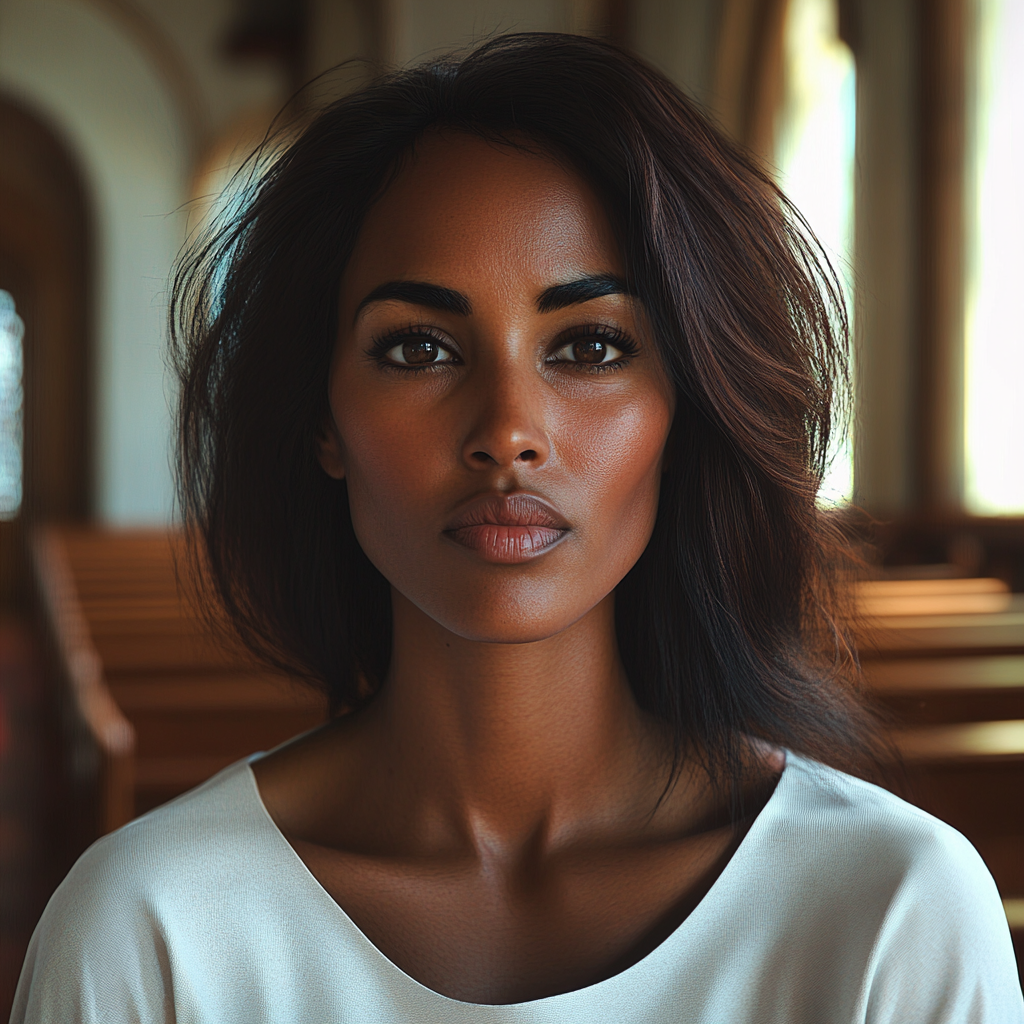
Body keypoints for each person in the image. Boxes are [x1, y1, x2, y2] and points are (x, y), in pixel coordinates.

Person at [11, 32, 1022, 1023]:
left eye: (588, 344)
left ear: (682, 410)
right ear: (322, 419)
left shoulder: (894, 913)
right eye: (417, 349)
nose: (505, 433)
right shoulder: (149, 931)